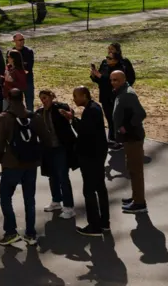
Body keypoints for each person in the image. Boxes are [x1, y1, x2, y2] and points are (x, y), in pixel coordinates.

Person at [0, 88, 50, 246]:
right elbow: (46, 138)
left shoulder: (4, 118)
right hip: (31, 164)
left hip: (12, 163)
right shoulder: (34, 116)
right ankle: (31, 233)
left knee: (5, 197)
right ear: (23, 98)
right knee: (29, 199)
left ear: (8, 98)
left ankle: (11, 231)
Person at [63, 86, 110, 236]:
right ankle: (104, 222)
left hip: (91, 157)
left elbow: (84, 132)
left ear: (84, 95)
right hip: (97, 155)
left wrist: (72, 120)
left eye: (76, 96)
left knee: (89, 191)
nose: (74, 99)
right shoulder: (94, 108)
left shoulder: (91, 111)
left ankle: (94, 226)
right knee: (100, 189)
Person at [110, 69, 148, 214]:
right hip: (128, 139)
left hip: (133, 138)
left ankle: (140, 203)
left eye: (116, 80)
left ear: (123, 79)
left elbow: (141, 113)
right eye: (112, 80)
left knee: (136, 171)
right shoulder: (122, 92)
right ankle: (135, 197)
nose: (113, 82)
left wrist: (126, 127)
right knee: (132, 169)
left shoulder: (127, 94)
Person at [36, 89, 77, 220]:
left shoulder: (60, 108)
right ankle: (56, 201)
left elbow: (70, 114)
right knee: (52, 176)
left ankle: (69, 207)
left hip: (60, 148)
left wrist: (67, 114)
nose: (43, 100)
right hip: (48, 149)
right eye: (41, 98)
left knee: (63, 176)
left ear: (51, 97)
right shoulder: (40, 113)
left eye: (45, 97)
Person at [90, 43, 136, 149]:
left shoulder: (123, 64)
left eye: (112, 50)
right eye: (108, 50)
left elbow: (129, 78)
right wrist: (94, 76)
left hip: (118, 96)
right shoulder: (104, 63)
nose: (109, 52)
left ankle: (122, 139)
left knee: (119, 118)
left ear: (118, 51)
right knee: (110, 118)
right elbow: (100, 80)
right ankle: (112, 139)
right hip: (106, 95)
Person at [13, 33, 35, 110]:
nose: (22, 41)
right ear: (14, 41)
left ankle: (31, 121)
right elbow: (9, 67)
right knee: (17, 104)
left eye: (23, 39)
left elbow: (29, 67)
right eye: (20, 40)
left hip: (27, 81)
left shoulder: (29, 51)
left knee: (29, 104)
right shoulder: (11, 52)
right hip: (16, 82)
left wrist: (17, 66)